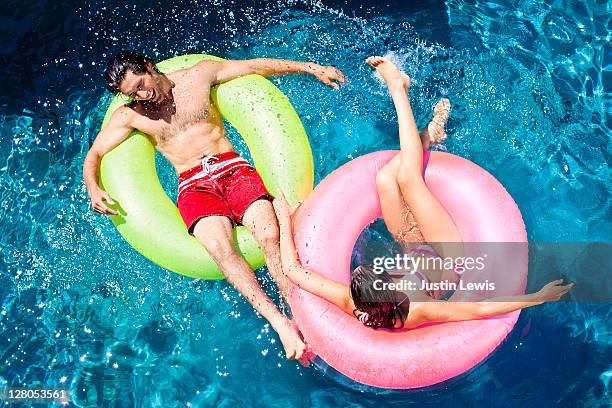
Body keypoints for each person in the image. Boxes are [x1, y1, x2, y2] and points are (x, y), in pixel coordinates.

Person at [273, 56, 573, 330]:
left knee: (385, 180)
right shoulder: (418, 310)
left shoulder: (353, 303)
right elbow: (480, 307)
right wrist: (539, 296)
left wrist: (283, 219)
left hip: (414, 250)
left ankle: (428, 136)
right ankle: (397, 87)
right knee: (407, 176)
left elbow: (291, 269)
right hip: (447, 257)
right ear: (389, 288)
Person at [83, 51, 346, 360]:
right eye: (132, 94)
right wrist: (93, 187)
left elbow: (255, 66)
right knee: (220, 249)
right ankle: (279, 322)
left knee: (267, 232)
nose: (141, 96)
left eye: (140, 85)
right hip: (193, 185)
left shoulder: (198, 76)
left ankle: (294, 306)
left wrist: (310, 67)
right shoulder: (131, 115)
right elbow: (95, 154)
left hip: (231, 168)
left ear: (149, 67)